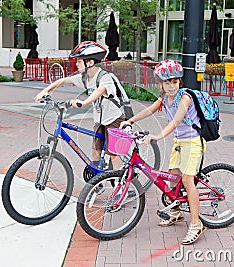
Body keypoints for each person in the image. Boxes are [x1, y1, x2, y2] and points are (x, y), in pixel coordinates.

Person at [120, 59, 207, 245]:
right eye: (167, 82)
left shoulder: (185, 97)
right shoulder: (164, 97)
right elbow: (149, 110)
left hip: (192, 142)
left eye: (174, 82)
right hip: (179, 142)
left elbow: (175, 122)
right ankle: (175, 212)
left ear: (179, 82)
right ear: (161, 83)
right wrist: (130, 121)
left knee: (186, 180)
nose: (171, 86)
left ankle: (196, 223)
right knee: (172, 177)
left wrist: (157, 136)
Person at [34, 41, 126, 169]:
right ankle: (97, 180)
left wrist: (84, 102)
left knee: (113, 155)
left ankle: (122, 183)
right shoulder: (85, 77)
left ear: (90, 63)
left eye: (79, 61)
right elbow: (64, 80)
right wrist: (46, 91)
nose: (76, 64)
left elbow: (100, 90)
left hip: (113, 119)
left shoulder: (104, 77)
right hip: (100, 121)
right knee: (96, 151)